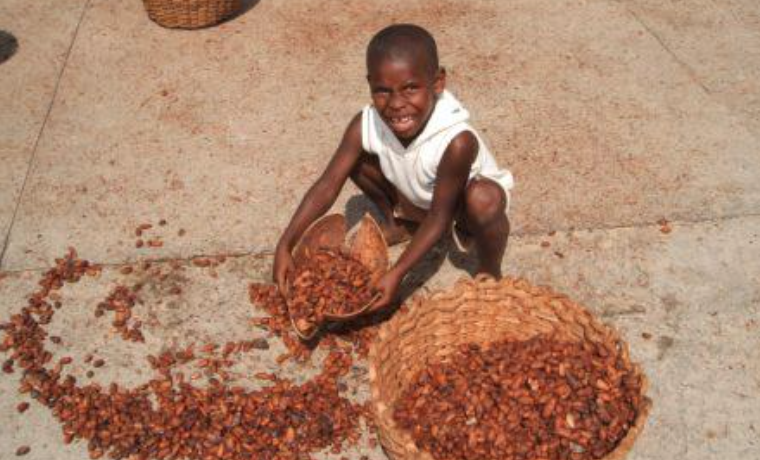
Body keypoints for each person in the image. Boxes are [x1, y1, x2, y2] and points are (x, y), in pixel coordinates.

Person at [273, 24, 514, 312]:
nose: (397, 104)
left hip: (458, 206)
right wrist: (285, 243)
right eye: (382, 91)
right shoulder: (365, 123)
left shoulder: (457, 140)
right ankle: (399, 222)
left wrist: (397, 273)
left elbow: (440, 217)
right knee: (356, 159)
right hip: (419, 194)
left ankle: (490, 272)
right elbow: (327, 185)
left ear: (438, 82)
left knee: (483, 198)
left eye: (411, 88)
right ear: (370, 85)